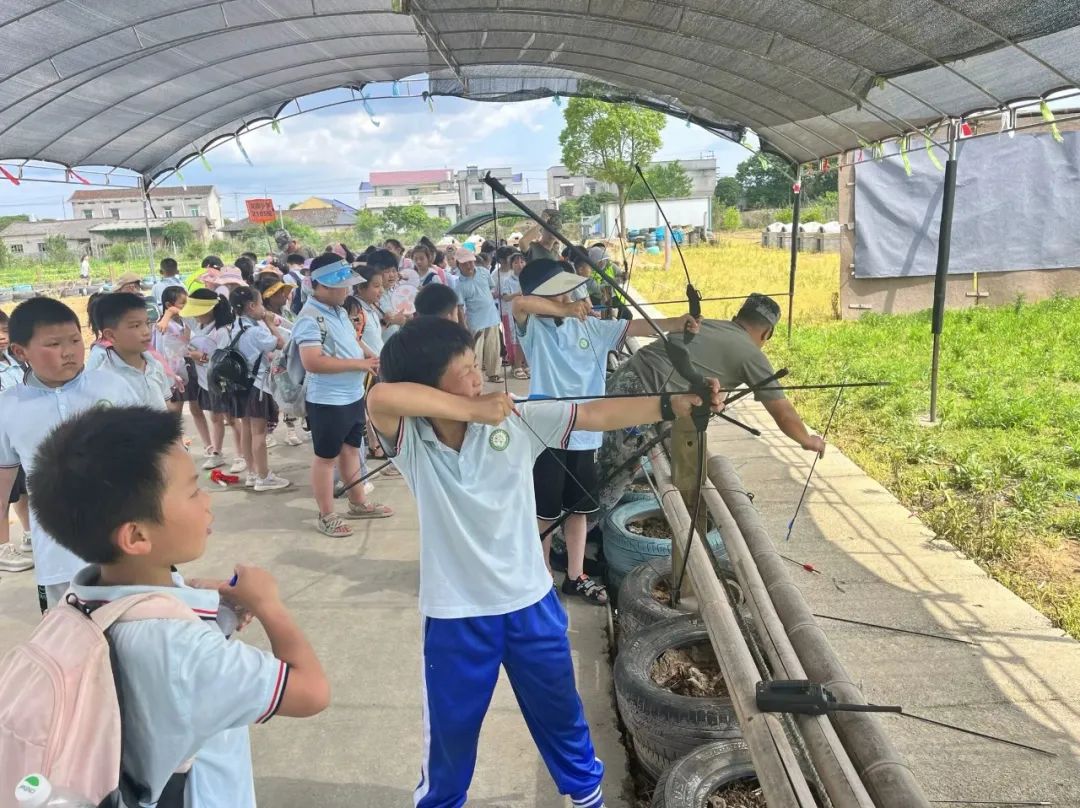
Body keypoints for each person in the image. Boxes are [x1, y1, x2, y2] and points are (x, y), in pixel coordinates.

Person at [367, 316, 724, 808]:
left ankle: (585, 797)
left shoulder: (520, 420)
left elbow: (596, 414)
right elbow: (380, 398)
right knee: (450, 737)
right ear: (428, 386)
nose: (480, 380)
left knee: (562, 715)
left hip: (530, 604)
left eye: (478, 368)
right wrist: (470, 410)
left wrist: (677, 404)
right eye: (467, 371)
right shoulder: (413, 443)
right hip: (455, 616)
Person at [30, 405, 330, 807]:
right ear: (136, 536)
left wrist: (203, 605)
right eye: (192, 490)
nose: (207, 501)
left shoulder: (79, 599)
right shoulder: (183, 650)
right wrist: (269, 604)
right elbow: (311, 693)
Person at [513, 259, 699, 604]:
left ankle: (574, 574)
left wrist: (677, 323)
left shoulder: (592, 328)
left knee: (579, 509)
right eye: (561, 289)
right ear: (548, 294)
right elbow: (520, 304)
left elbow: (637, 327)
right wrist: (564, 309)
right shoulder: (532, 328)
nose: (571, 293)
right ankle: (541, 578)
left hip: (585, 434)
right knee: (544, 512)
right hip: (545, 433)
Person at [599, 293, 827, 511]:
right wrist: (807, 440)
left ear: (737, 317)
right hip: (640, 398)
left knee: (589, 452)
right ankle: (568, 543)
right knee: (611, 474)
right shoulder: (751, 354)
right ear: (767, 333)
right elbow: (782, 412)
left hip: (623, 376)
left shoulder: (708, 324)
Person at [0, 298, 140, 612]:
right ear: (21, 352)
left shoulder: (112, 387)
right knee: (72, 647)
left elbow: (150, 457)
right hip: (58, 557)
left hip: (125, 546)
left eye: (75, 341)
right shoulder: (8, 407)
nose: (69, 351)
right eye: (54, 344)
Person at [291, 254, 392, 537]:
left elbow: (354, 340)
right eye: (340, 286)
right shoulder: (310, 318)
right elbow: (312, 361)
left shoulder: (337, 311)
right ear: (318, 285)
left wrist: (375, 358)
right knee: (326, 458)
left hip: (351, 394)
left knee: (351, 449)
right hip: (327, 400)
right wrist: (360, 364)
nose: (346, 290)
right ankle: (326, 514)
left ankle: (357, 502)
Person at [226, 287, 290, 492]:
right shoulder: (256, 331)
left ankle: (252, 473)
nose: (263, 307)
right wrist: (270, 324)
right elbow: (279, 343)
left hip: (239, 385)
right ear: (252, 306)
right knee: (259, 432)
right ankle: (264, 476)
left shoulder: (232, 327)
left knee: (246, 428)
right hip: (257, 386)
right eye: (261, 303)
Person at [181, 289, 244, 472]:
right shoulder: (198, 327)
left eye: (198, 311)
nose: (195, 316)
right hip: (206, 381)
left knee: (232, 419)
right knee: (215, 417)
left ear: (210, 309)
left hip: (223, 381)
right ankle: (217, 452)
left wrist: (199, 357)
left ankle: (240, 455)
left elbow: (224, 359)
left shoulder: (222, 331)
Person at [86, 292, 172, 410]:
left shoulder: (155, 366)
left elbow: (165, 405)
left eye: (147, 323)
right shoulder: (105, 379)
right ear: (111, 335)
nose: (146, 331)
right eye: (136, 326)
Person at [0, 309, 32, 573]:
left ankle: (29, 532)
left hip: (18, 434)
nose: (2, 337)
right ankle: (2, 547)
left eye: (4, 331)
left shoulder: (14, 361)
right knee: (3, 495)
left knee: (22, 490)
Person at [455, 249, 502, 383]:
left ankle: (494, 373)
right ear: (459, 265)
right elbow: (459, 306)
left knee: (494, 347)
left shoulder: (484, 272)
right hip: (475, 321)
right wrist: (463, 325)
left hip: (492, 317)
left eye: (471, 262)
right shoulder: (459, 285)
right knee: (476, 351)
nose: (469, 266)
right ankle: (475, 376)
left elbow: (492, 288)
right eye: (465, 263)